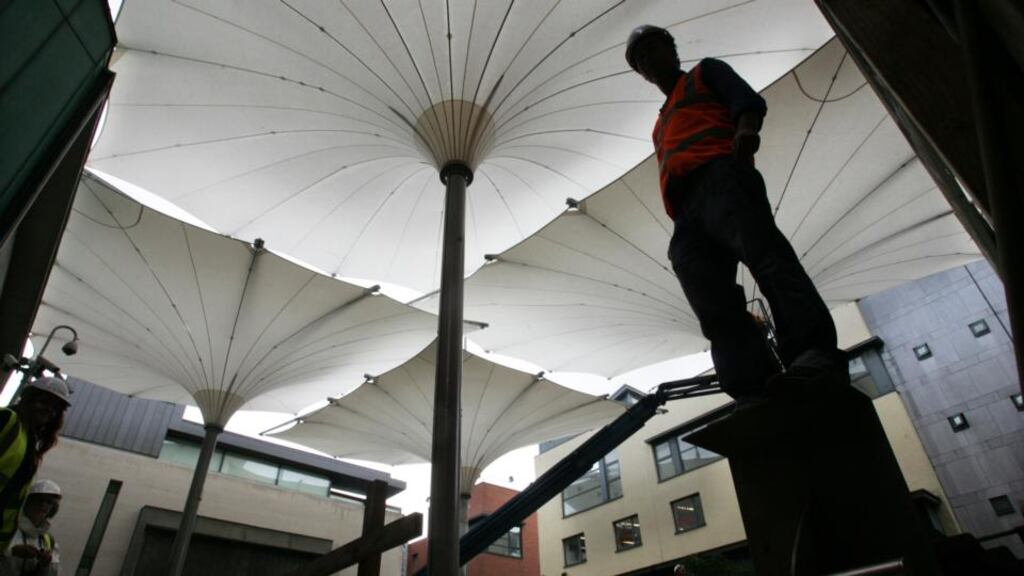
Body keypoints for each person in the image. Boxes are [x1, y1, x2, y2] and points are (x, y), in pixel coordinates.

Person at [625, 25, 847, 401]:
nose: (648, 61)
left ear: (674, 51)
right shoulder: (660, 124)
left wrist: (745, 132)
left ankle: (812, 352)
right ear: (642, 75)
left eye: (653, 50)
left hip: (721, 176)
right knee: (711, 300)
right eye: (640, 60)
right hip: (687, 213)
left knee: (768, 260)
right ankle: (751, 384)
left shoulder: (704, 73)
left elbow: (746, 100)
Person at [0, 378, 70, 554]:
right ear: (28, 399)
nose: (50, 410)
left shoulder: (29, 440)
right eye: (44, 402)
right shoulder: (7, 419)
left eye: (56, 408)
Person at [2, 480, 62, 576]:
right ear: (27, 501)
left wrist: (46, 564)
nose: (43, 504)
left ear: (53, 508)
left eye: (49, 502)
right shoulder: (7, 528)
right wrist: (12, 552)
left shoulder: (49, 541)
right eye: (39, 499)